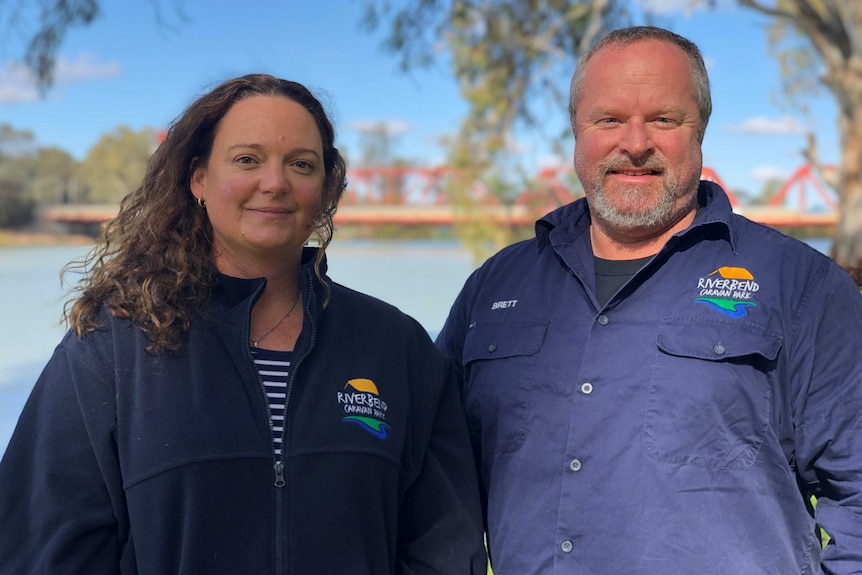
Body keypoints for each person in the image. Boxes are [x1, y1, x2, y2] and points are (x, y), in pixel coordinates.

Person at [0, 74, 487, 574]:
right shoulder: (113, 347)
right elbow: (44, 547)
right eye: (247, 159)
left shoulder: (397, 347)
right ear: (199, 181)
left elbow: (446, 545)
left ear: (324, 189)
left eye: (301, 164)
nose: (275, 183)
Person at [436, 26, 862, 574]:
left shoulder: (802, 287)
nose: (635, 144)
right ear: (576, 131)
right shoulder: (494, 288)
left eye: (664, 119)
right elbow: (435, 481)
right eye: (608, 119)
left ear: (700, 131)